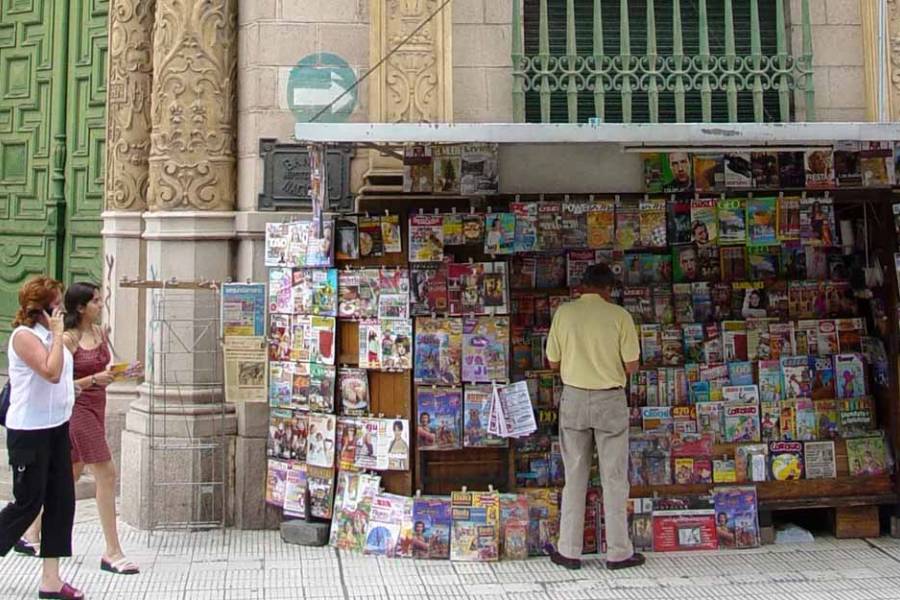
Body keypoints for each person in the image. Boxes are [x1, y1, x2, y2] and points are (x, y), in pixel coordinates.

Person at [545, 264, 644, 571]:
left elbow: (552, 362)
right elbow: (632, 366)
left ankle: (569, 551)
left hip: (574, 397)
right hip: (609, 399)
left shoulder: (564, 313)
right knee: (614, 478)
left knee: (574, 475)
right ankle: (618, 553)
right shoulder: (619, 316)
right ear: (608, 289)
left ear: (582, 286)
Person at [0, 276, 83, 599]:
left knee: (61, 502)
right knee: (27, 503)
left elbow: (62, 381)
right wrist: (59, 338)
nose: (62, 308)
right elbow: (49, 373)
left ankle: (51, 580)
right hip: (29, 433)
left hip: (56, 427)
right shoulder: (24, 337)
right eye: (57, 303)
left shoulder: (51, 336)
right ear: (44, 308)